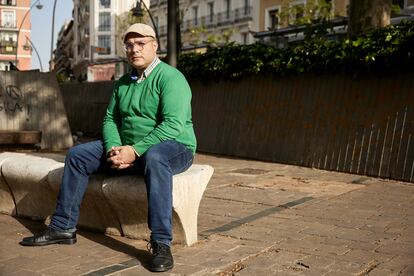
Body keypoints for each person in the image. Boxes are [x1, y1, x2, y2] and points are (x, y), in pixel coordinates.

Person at [20, 23, 197, 273]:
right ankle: (63, 227)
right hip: (129, 147)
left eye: (141, 43)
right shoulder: (123, 82)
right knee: (78, 155)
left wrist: (133, 151)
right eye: (129, 45)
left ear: (155, 45)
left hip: (174, 147)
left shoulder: (171, 78)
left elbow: (173, 124)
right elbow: (110, 120)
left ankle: (160, 243)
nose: (134, 49)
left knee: (155, 158)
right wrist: (115, 148)